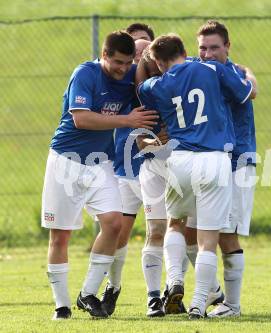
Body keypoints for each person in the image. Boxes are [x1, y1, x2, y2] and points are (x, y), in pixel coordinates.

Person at [137, 33, 255, 319]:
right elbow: (244, 92)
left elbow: (140, 87)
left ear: (158, 62)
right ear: (186, 50)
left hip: (179, 160)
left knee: (175, 224)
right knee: (208, 239)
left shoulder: (159, 84)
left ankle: (175, 279)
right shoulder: (211, 69)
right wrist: (248, 74)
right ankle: (199, 303)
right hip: (214, 159)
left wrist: (145, 61)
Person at [42, 30, 158, 320]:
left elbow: (152, 64)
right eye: (117, 62)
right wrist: (128, 120)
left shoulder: (131, 74)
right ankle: (62, 306)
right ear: (104, 55)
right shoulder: (85, 73)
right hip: (65, 160)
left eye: (128, 62)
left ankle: (88, 293)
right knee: (60, 237)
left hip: (100, 162)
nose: (122, 68)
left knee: (114, 223)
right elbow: (81, 119)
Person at [185, 20, 258, 318]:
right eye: (203, 47)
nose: (208, 53)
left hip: (236, 161)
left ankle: (233, 305)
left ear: (228, 46)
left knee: (227, 235)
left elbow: (250, 91)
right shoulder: (195, 68)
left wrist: (248, 74)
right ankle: (213, 290)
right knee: (191, 230)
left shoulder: (234, 73)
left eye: (215, 47)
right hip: (205, 162)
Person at [100, 23, 156, 317]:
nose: (139, 51)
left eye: (145, 45)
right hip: (124, 167)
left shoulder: (162, 81)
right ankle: (114, 287)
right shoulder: (117, 82)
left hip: (156, 167)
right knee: (118, 233)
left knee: (162, 231)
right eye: (134, 47)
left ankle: (161, 293)